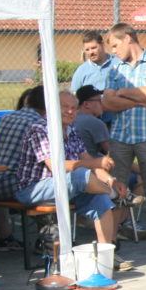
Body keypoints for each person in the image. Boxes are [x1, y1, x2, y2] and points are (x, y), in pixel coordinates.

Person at [13, 92, 122, 249]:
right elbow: (56, 166)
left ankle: (107, 254)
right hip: (34, 189)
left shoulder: (71, 129)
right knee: (80, 175)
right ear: (53, 107)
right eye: (65, 107)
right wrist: (98, 167)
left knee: (100, 200)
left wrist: (110, 180)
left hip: (67, 187)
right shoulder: (41, 129)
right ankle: (114, 195)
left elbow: (88, 160)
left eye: (73, 108)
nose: (70, 111)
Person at [102, 23, 146, 256]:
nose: (113, 51)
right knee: (116, 187)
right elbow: (108, 102)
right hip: (120, 137)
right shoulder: (114, 70)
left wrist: (123, 92)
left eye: (115, 45)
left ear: (128, 38)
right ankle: (111, 240)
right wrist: (140, 98)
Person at [0, 86, 47, 252]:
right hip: (13, 185)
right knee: (49, 187)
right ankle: (46, 241)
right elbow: (45, 161)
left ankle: (5, 237)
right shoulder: (38, 123)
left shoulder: (6, 118)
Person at [72, 31, 119, 125]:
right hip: (91, 123)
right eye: (87, 49)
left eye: (93, 48)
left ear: (102, 44)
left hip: (117, 120)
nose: (91, 52)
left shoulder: (119, 64)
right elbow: (75, 97)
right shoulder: (81, 71)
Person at [74, 85, 110, 157]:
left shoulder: (70, 119)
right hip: (91, 164)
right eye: (99, 100)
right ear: (86, 104)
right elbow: (114, 153)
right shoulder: (95, 123)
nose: (102, 104)